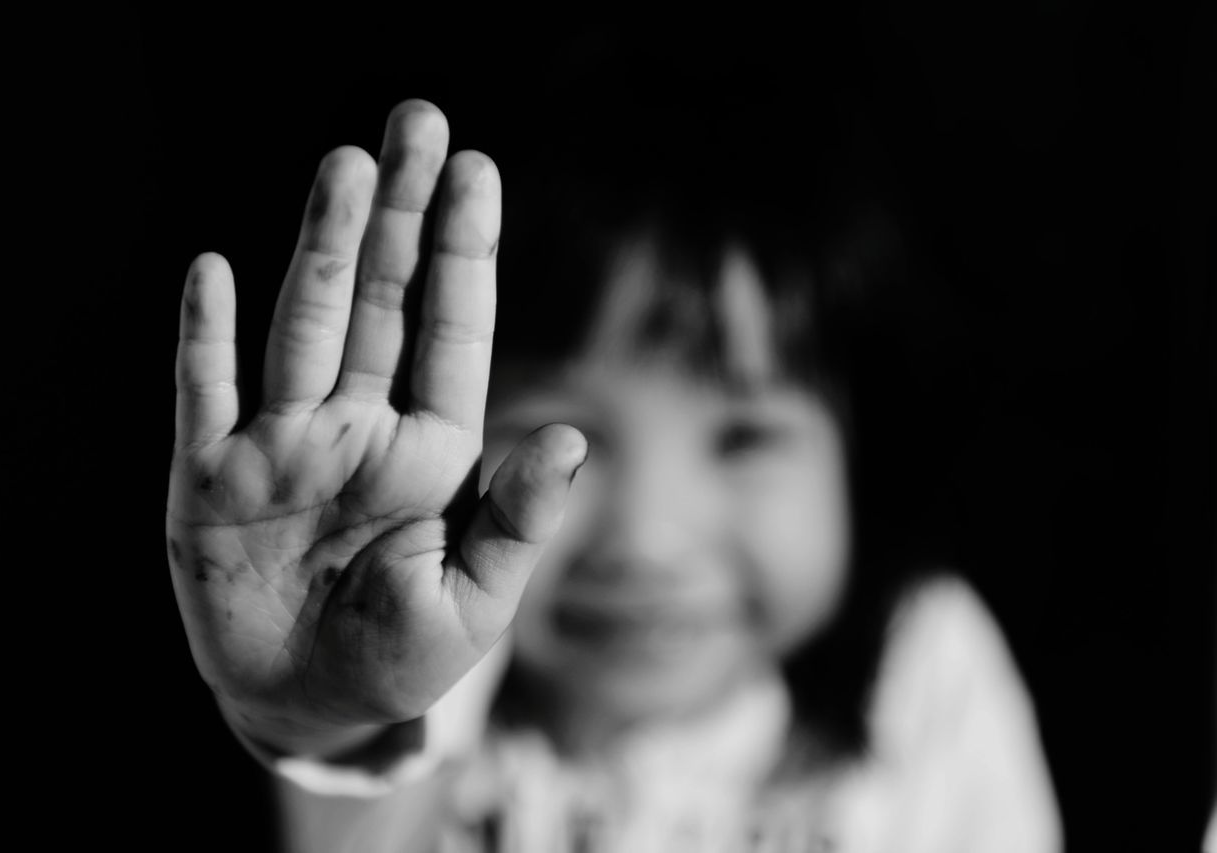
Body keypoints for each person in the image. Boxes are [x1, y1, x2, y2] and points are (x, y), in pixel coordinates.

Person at [166, 62, 1064, 850]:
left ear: (862, 449)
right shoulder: (422, 657)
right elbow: (355, 721)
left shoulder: (925, 669)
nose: (647, 538)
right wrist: (314, 704)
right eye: (566, 438)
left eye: (743, 437)